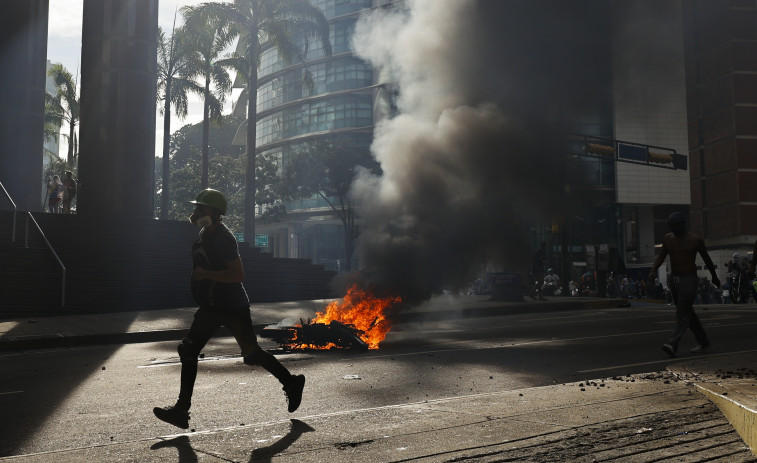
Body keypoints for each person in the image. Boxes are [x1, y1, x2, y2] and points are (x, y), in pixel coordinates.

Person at [153, 189, 306, 429]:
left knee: (252, 354)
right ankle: (182, 410)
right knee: (189, 350)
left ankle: (292, 383)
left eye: (201, 208)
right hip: (212, 306)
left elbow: (238, 275)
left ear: (213, 212)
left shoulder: (224, 239)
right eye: (197, 207)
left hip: (233, 306)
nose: (196, 212)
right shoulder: (205, 234)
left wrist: (205, 274)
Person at [649, 212, 719, 358]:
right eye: (672, 226)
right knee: (687, 312)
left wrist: (714, 277)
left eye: (676, 225)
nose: (674, 228)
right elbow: (661, 256)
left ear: (683, 224)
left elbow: (707, 259)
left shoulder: (695, 240)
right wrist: (653, 270)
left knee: (682, 311)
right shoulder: (668, 239)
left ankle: (672, 344)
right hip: (675, 279)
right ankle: (703, 341)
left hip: (689, 278)